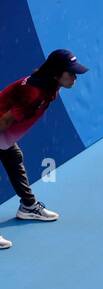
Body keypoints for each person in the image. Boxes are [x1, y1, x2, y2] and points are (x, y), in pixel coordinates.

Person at [0, 49, 87, 251]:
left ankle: (28, 206)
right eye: (71, 72)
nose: (75, 77)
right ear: (56, 73)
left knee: (14, 158)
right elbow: (4, 121)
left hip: (3, 133)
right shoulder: (34, 93)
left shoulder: (50, 85)